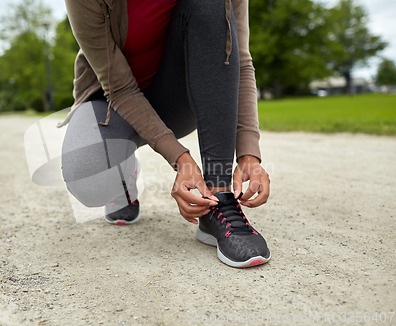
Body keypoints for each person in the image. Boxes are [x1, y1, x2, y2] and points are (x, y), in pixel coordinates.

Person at [60, 0, 271, 268]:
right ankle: (123, 174)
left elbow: (238, 60)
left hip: (177, 101)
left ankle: (217, 201)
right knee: (88, 177)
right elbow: (120, 88)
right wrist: (180, 159)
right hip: (114, 103)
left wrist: (249, 152)